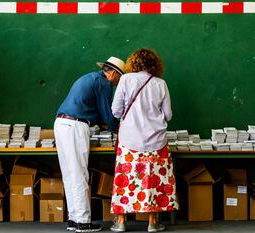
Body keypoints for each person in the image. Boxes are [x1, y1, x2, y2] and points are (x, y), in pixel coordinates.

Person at [110, 48, 179, 232]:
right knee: (152, 180)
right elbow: (169, 115)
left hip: (129, 141)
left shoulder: (125, 79)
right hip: (155, 142)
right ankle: (153, 222)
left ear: (133, 63)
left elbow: (115, 111)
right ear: (155, 65)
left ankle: (121, 222)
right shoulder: (160, 84)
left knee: (125, 180)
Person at [54, 57, 125, 232]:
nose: (118, 84)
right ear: (114, 74)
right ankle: (84, 222)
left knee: (70, 174)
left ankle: (74, 219)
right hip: (76, 126)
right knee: (79, 174)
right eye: (120, 79)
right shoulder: (104, 84)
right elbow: (107, 114)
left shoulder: (90, 77)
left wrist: (102, 122)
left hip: (61, 123)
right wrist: (119, 129)